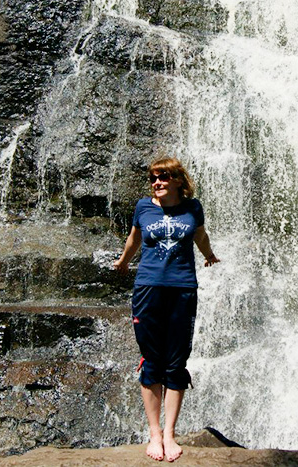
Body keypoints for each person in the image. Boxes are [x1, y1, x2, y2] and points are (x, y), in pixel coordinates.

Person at [113, 157, 220, 462]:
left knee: (176, 361)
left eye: (162, 178)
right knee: (151, 359)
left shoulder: (192, 207)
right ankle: (154, 433)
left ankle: (170, 433)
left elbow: (199, 234)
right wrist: (123, 261)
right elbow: (134, 238)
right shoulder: (143, 207)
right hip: (148, 288)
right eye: (153, 179)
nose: (156, 183)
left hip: (182, 289)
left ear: (177, 180)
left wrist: (209, 254)